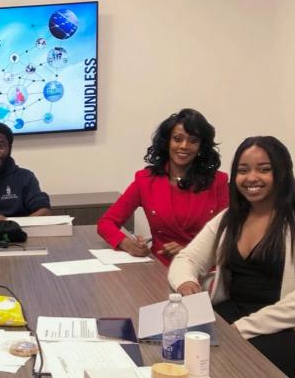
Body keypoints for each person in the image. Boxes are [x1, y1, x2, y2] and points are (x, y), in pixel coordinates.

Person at [169, 136, 295, 378]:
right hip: (230, 315)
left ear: (282, 173)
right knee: (173, 350)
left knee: (224, 370)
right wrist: (186, 283)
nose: (252, 178)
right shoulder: (230, 218)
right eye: (243, 170)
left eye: (264, 169)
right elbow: (188, 258)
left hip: (280, 326)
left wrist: (244, 328)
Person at [97, 108, 229, 266]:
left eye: (193, 141)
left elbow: (228, 235)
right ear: (167, 142)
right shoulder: (146, 180)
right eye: (178, 139)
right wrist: (127, 244)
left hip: (204, 269)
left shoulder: (217, 182)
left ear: (201, 147)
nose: (184, 146)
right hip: (160, 268)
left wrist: (190, 251)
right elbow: (106, 223)